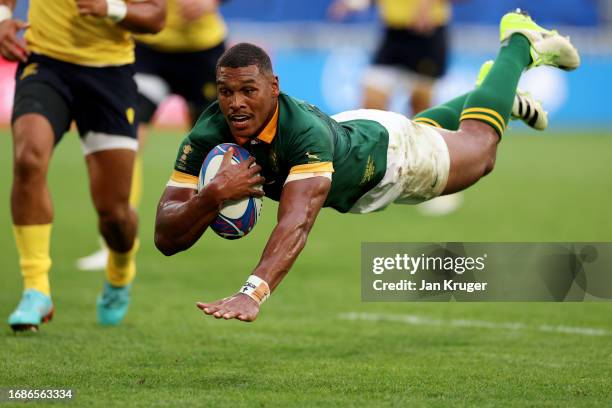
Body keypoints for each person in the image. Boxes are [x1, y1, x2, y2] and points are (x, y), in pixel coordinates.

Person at [154, 11, 579, 322]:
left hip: (390, 156)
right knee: (444, 132)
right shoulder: (209, 131)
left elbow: (297, 222)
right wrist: (211, 196)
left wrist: (253, 293)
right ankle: (492, 94)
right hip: (356, 133)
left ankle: (516, 44)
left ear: (274, 87)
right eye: (226, 92)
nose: (236, 103)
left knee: (481, 152)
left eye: (249, 90)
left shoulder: (304, 137)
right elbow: (165, 237)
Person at [2, 0, 166, 331]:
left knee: (115, 216)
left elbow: (156, 16)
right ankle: (36, 288)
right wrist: (3, 18)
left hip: (109, 77)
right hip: (44, 65)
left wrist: (110, 9)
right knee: (28, 158)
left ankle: (120, 271)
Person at [76, 0, 228, 271]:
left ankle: (219, 224)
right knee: (127, 142)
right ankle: (115, 240)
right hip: (149, 51)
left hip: (202, 52)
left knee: (211, 151)